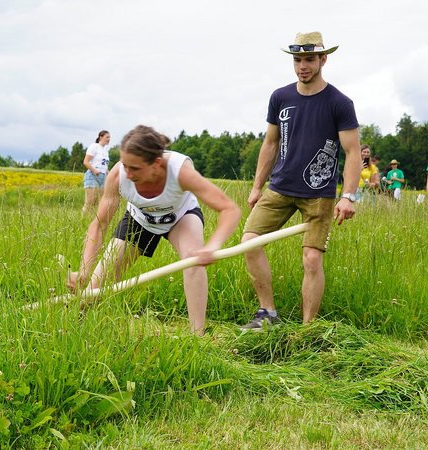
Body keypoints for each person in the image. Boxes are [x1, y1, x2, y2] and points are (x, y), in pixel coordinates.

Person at [66, 125, 240, 335]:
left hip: (180, 217)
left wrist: (212, 246)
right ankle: (72, 329)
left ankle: (198, 336)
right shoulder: (118, 175)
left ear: (156, 163)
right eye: (125, 165)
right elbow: (99, 224)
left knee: (193, 260)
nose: (128, 173)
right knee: (94, 290)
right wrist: (84, 270)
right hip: (139, 219)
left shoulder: (181, 171)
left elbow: (229, 209)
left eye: (135, 168)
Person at [240, 31, 361, 330]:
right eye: (297, 60)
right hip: (279, 188)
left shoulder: (339, 103)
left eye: (309, 59)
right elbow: (270, 143)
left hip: (318, 194)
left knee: (311, 259)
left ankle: (308, 330)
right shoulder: (280, 97)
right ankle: (267, 314)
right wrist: (257, 187)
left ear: (323, 59)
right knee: (249, 243)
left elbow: (352, 152)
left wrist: (348, 195)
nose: (302, 66)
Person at [82, 130, 111, 213]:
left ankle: (92, 218)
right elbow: (86, 162)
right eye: (107, 137)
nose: (109, 139)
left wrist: (110, 174)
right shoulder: (94, 146)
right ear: (101, 137)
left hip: (103, 178)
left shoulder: (105, 151)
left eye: (110, 137)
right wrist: (94, 170)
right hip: (92, 175)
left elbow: (104, 166)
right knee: (90, 201)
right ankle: (83, 218)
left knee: (99, 202)